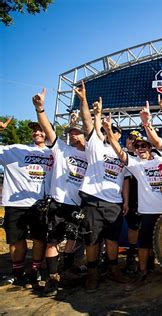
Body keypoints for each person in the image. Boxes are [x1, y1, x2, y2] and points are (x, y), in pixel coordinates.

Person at [102, 112, 162, 285]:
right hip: (148, 211)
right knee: (143, 244)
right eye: (137, 147)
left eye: (144, 145)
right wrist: (108, 131)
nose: (140, 148)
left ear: (150, 148)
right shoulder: (136, 164)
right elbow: (119, 152)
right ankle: (143, 271)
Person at [31, 88, 88, 296]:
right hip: (57, 202)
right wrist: (40, 109)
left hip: (77, 204)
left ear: (83, 135)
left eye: (76, 132)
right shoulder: (61, 148)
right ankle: (52, 278)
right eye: (71, 131)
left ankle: (65, 268)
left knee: (74, 238)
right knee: (53, 239)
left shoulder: (91, 155)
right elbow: (47, 128)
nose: (72, 134)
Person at [75, 83, 129, 292]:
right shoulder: (96, 145)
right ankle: (92, 274)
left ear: (119, 136)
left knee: (113, 239)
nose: (111, 133)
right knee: (92, 239)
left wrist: (124, 200)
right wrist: (84, 101)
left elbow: (125, 179)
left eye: (115, 131)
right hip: (92, 200)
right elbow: (88, 122)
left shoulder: (123, 154)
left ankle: (113, 270)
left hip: (114, 203)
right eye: (109, 130)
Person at [0, 117, 53, 288]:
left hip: (40, 205)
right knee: (16, 240)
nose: (37, 132)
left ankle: (35, 270)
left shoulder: (53, 153)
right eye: (34, 130)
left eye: (41, 130)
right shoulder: (17, 149)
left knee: (39, 239)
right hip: (15, 204)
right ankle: (17, 272)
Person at [122, 130, 142, 274]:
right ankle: (131, 255)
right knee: (133, 227)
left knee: (143, 227)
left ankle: (146, 258)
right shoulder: (121, 155)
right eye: (131, 139)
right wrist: (126, 201)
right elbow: (126, 181)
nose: (133, 142)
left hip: (143, 196)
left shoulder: (142, 155)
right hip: (124, 197)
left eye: (136, 140)